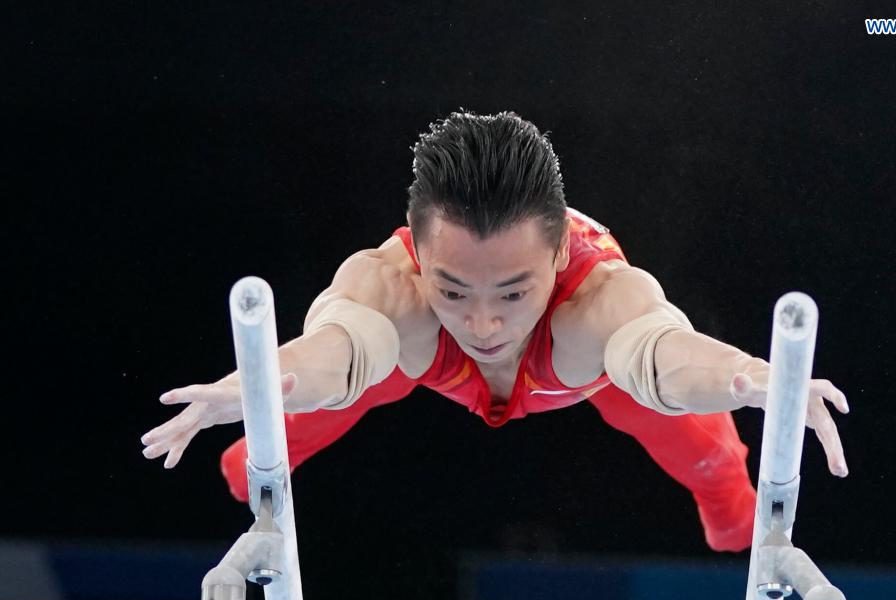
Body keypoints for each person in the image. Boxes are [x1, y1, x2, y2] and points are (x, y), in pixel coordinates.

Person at [140, 111, 849, 552]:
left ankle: (730, 512)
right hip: (420, 355)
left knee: (705, 453)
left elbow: (664, 357)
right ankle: (255, 454)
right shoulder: (392, 290)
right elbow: (336, 353)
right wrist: (252, 388)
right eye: (453, 289)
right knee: (334, 387)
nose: (483, 324)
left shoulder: (597, 301)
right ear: (419, 257)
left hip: (581, 366)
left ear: (559, 255)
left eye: (513, 292)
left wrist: (759, 380)